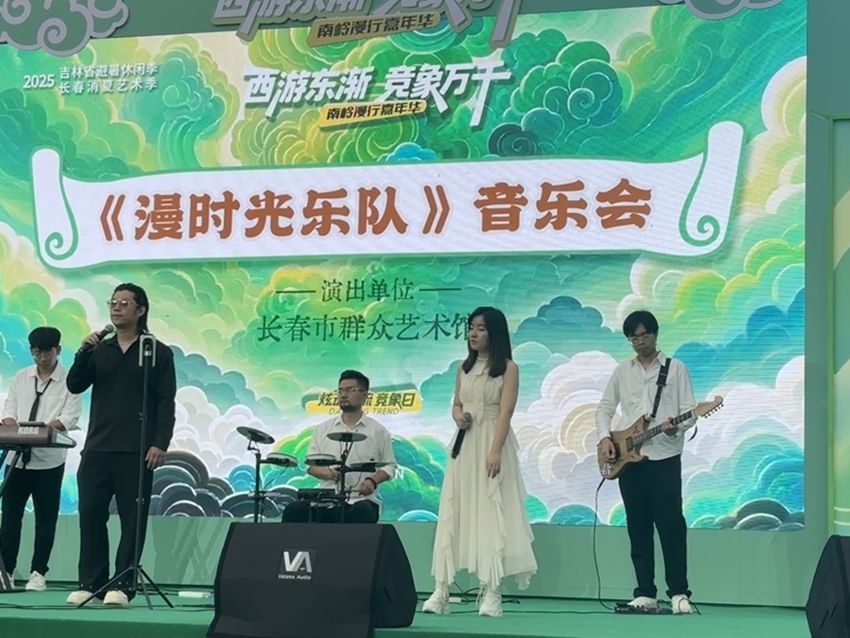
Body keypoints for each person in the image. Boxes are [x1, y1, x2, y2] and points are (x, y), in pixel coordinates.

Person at [65, 283, 176, 607]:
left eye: (124, 303)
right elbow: (74, 385)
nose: (116, 307)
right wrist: (82, 352)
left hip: (137, 449)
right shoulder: (100, 349)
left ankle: (123, 584)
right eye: (113, 302)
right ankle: (91, 583)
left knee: (132, 519)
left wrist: (160, 442)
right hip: (98, 446)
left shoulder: (156, 351)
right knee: (90, 514)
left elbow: (165, 402)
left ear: (141, 310)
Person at [423, 307, 537, 617]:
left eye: (481, 328)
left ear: (495, 333)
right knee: (455, 509)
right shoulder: (464, 367)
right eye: (471, 327)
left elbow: (506, 412)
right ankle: (441, 589)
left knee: (492, 510)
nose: (473, 333)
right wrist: (459, 416)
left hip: (492, 441)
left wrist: (495, 450)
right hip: (465, 444)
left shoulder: (508, 369)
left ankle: (492, 591)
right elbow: (457, 404)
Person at [596, 310, 696, 614]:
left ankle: (678, 592)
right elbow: (604, 408)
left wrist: (675, 426)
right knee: (637, 527)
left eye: (645, 335)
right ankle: (645, 592)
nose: (640, 341)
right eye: (634, 337)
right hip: (629, 460)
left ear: (655, 334)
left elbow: (690, 411)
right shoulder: (622, 371)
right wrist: (604, 439)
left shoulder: (675, 369)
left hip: (664, 457)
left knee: (671, 526)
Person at [0, 327, 82, 591]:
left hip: (49, 461)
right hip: (16, 459)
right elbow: (10, 408)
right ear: (31, 351)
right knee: (10, 519)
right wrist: (12, 426)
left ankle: (38, 573)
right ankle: (6, 571)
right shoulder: (21, 376)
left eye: (47, 352)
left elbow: (70, 416)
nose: (42, 357)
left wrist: (41, 432)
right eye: (36, 352)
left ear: (58, 350)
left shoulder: (70, 380)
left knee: (46, 520)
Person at [281, 370, 396, 524]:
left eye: (350, 390)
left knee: (364, 511)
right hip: (326, 500)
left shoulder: (378, 431)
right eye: (340, 391)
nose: (343, 395)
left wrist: (372, 481)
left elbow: (389, 466)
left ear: (365, 396)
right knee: (294, 510)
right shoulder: (323, 429)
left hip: (360, 500)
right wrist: (327, 473)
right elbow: (311, 466)